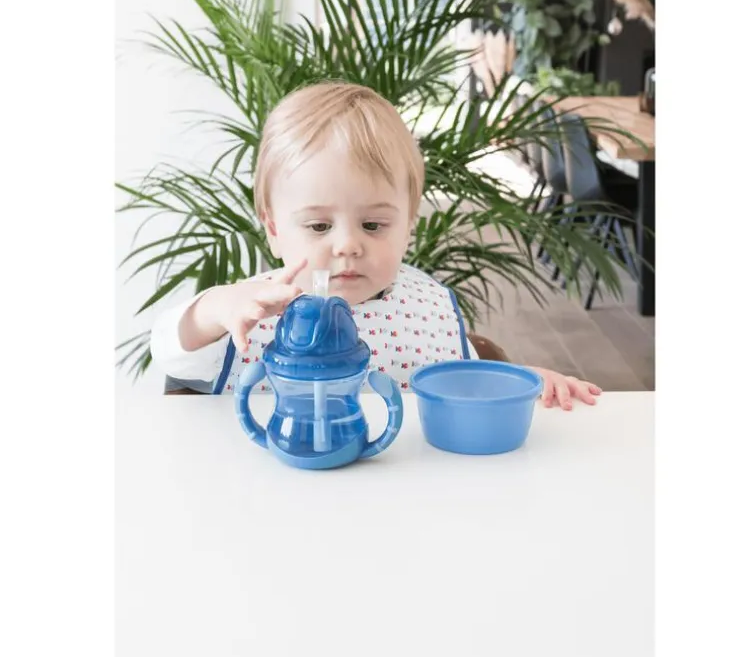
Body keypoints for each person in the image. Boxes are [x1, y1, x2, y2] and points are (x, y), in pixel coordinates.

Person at [151, 82, 601, 411]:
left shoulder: (429, 307)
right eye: (319, 225)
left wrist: (526, 382)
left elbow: (466, 382)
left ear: (408, 225)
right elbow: (169, 349)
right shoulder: (250, 313)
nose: (348, 244)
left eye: (373, 224)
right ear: (273, 228)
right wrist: (216, 307)